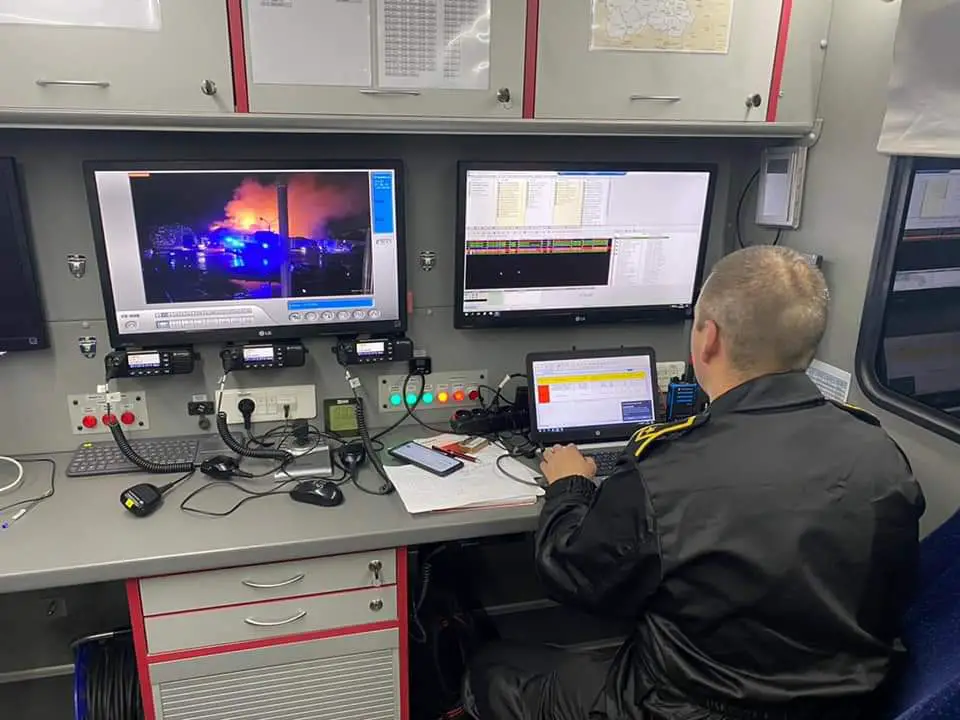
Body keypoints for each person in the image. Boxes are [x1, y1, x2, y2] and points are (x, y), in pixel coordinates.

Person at [463, 245, 925, 720]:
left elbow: (571, 576)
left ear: (708, 339)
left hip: (684, 708)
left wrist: (569, 486)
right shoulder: (880, 452)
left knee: (493, 668)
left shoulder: (667, 468)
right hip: (846, 708)